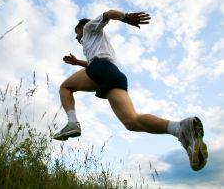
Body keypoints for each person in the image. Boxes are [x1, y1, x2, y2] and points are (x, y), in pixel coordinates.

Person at [53, 9, 208, 171]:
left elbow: (107, 14)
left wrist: (125, 17)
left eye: (76, 32)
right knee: (131, 121)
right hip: (113, 74)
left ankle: (72, 123)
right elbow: (94, 63)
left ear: (81, 27)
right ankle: (180, 128)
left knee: (65, 87)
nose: (77, 36)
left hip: (101, 68)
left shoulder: (89, 27)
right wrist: (78, 62)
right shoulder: (95, 41)